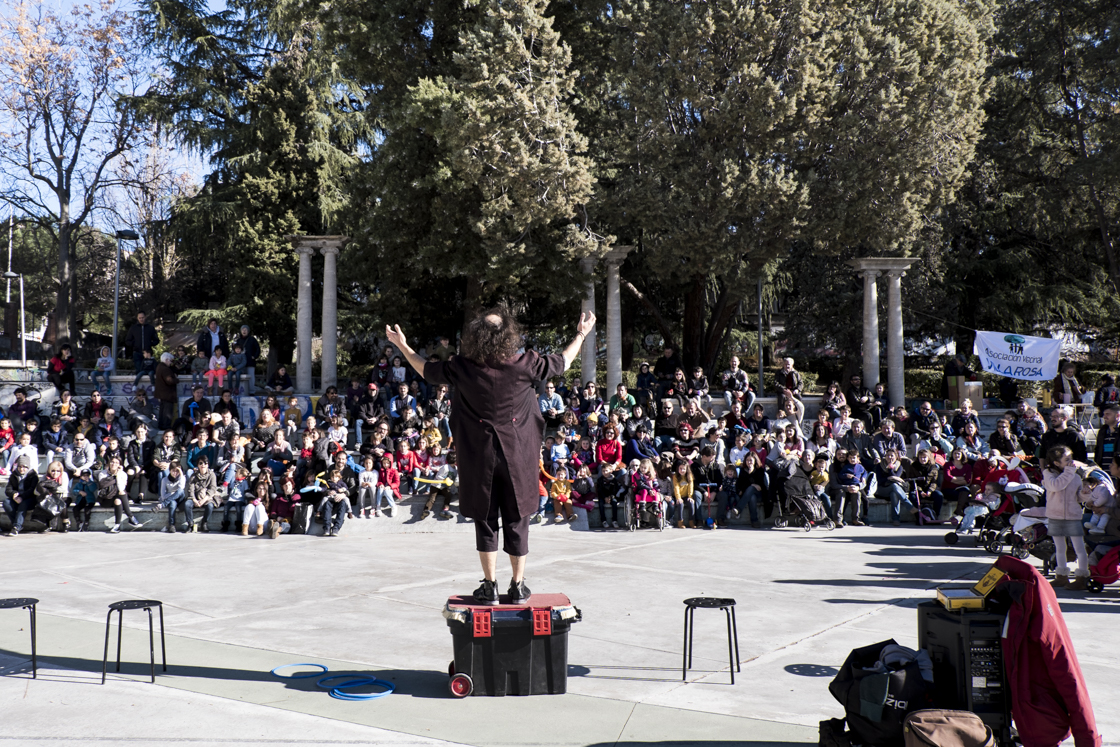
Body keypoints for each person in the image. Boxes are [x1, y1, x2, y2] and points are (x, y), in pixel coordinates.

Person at [387, 306, 594, 606]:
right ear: (509, 334)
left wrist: (401, 345)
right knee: (517, 520)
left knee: (485, 520)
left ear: (477, 336)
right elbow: (563, 361)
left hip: (479, 456)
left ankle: (489, 586)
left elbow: (425, 370)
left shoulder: (463, 366)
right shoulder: (526, 363)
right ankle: (518, 586)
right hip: (518, 456)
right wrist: (581, 334)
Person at [1041, 446, 1089, 590]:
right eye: (1066, 459)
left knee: (1079, 547)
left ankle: (1082, 577)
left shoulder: (1075, 476)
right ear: (1056, 463)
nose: (1071, 462)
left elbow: (1078, 497)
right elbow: (1056, 486)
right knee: (1060, 547)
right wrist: (1069, 472)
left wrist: (1085, 494)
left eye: (1071, 458)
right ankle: (1061, 576)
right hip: (1055, 515)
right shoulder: (1048, 474)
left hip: (1073, 516)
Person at [2, 458, 39, 536]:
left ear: (28, 467)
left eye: (24, 467)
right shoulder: (14, 475)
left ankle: (16, 526)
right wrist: (14, 494)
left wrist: (21, 497)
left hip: (30, 499)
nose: (22, 469)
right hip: (17, 498)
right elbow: (8, 489)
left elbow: (32, 490)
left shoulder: (33, 476)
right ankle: (16, 525)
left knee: (23, 504)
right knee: (6, 502)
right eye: (20, 467)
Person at [123, 311, 160, 376]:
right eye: (140, 318)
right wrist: (135, 345)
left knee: (148, 370)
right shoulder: (133, 328)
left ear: (145, 317)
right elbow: (127, 340)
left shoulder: (150, 328)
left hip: (147, 353)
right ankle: (138, 385)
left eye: (142, 317)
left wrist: (150, 344)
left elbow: (156, 340)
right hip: (137, 352)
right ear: (137, 318)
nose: (141, 319)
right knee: (139, 371)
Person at [154, 353, 179, 430]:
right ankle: (166, 427)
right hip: (167, 394)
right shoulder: (165, 369)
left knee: (162, 411)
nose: (171, 362)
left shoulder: (159, 367)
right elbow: (170, 381)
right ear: (166, 360)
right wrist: (176, 379)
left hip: (162, 394)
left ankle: (161, 425)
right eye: (170, 360)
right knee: (167, 412)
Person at [1093, 404, 1120, 471]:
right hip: (1104, 473)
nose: (1104, 417)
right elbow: (1098, 451)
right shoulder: (1102, 432)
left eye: (1108, 414)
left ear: (1117, 415)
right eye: (1104, 414)